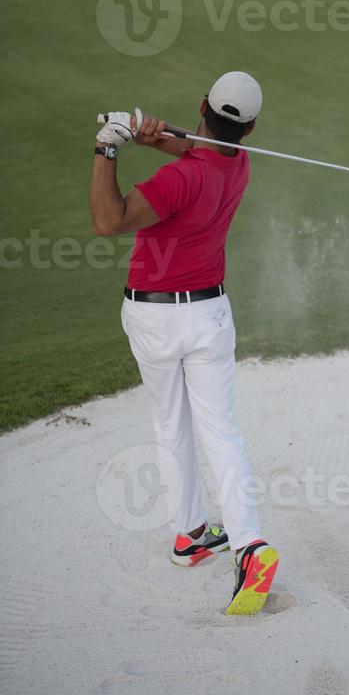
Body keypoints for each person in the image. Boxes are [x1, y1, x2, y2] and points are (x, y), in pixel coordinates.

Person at [89, 71, 278, 616]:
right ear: (251, 127)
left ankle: (190, 533)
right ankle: (246, 543)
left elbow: (109, 220)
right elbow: (199, 146)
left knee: (171, 425)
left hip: (154, 317)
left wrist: (109, 147)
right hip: (211, 315)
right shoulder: (237, 163)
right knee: (220, 429)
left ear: (201, 105)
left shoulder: (179, 179)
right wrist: (145, 133)